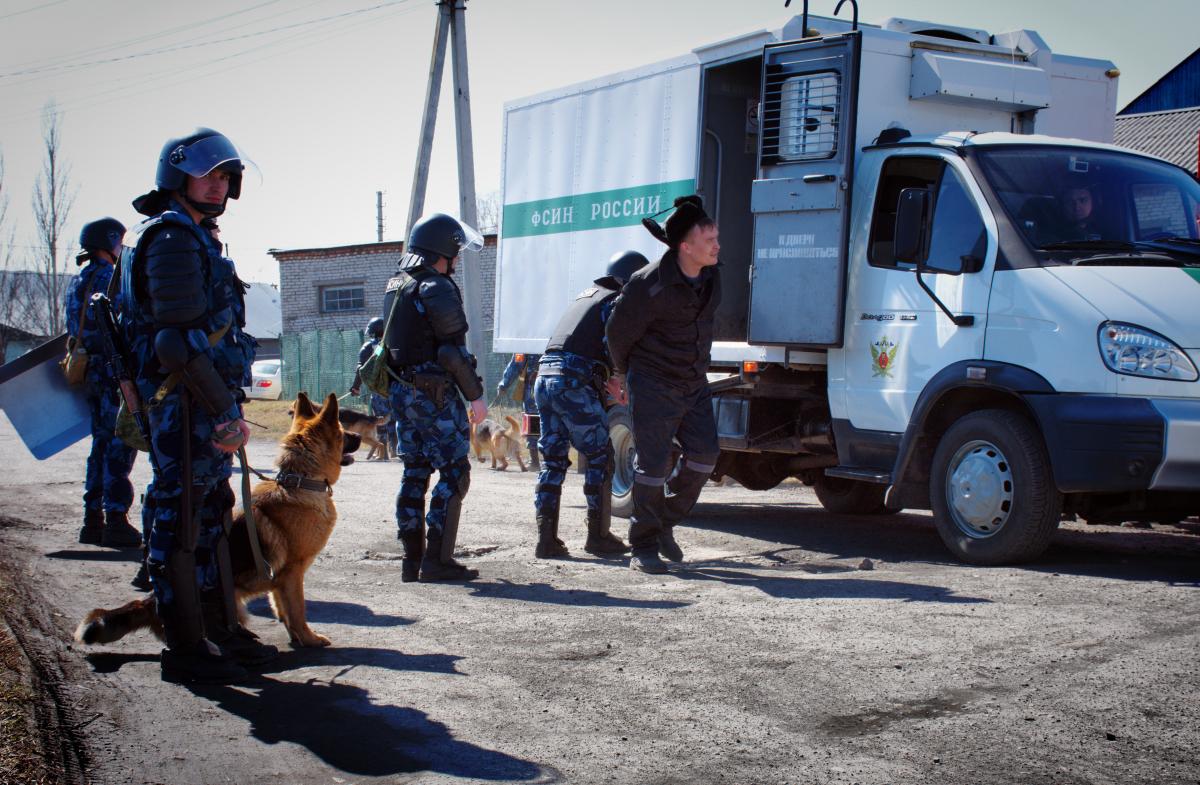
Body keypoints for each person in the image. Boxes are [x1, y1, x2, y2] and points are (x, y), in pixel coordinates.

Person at [123, 128, 275, 683]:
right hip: (185, 404)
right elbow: (176, 342)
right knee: (181, 521)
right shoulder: (171, 238)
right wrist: (223, 411)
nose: (218, 185)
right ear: (177, 176)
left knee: (210, 516)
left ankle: (220, 628)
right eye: (207, 175)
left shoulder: (194, 235)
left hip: (200, 402)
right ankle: (186, 647)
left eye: (225, 177)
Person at [605, 195, 722, 574]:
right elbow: (617, 334)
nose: (717, 246)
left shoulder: (712, 275)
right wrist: (621, 376)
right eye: (709, 240)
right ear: (685, 246)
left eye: (717, 238)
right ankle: (643, 546)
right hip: (653, 382)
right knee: (653, 466)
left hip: (693, 381)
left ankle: (664, 522)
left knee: (705, 456)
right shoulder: (647, 284)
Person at [383, 213, 488, 583]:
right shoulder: (436, 285)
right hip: (434, 395)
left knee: (414, 471)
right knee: (455, 471)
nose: (457, 258)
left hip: (402, 393)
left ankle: (411, 561)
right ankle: (438, 561)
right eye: (455, 250)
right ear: (441, 249)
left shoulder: (397, 284)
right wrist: (475, 397)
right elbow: (451, 351)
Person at [532, 251, 648, 559]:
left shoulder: (587, 296)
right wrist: (619, 377)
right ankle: (598, 537)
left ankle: (546, 541)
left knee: (553, 461)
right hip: (573, 381)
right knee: (600, 456)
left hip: (545, 377)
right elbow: (614, 343)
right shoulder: (616, 301)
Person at [67, 218, 142, 549]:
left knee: (99, 445)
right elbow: (128, 321)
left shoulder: (78, 281)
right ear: (109, 243)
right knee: (119, 443)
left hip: (91, 373)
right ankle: (116, 519)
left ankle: (92, 520)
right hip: (114, 373)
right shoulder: (110, 278)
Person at [350, 316, 393, 460]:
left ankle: (384, 453)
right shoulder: (393, 344)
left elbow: (361, 369)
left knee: (380, 420)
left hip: (379, 390)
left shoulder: (371, 347)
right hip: (397, 388)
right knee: (395, 419)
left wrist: (356, 387)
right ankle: (395, 450)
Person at [497, 352, 541, 469]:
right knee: (554, 421)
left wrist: (504, 384)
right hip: (559, 388)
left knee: (532, 420)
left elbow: (516, 364)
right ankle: (556, 460)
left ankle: (535, 461)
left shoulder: (525, 343)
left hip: (534, 389)